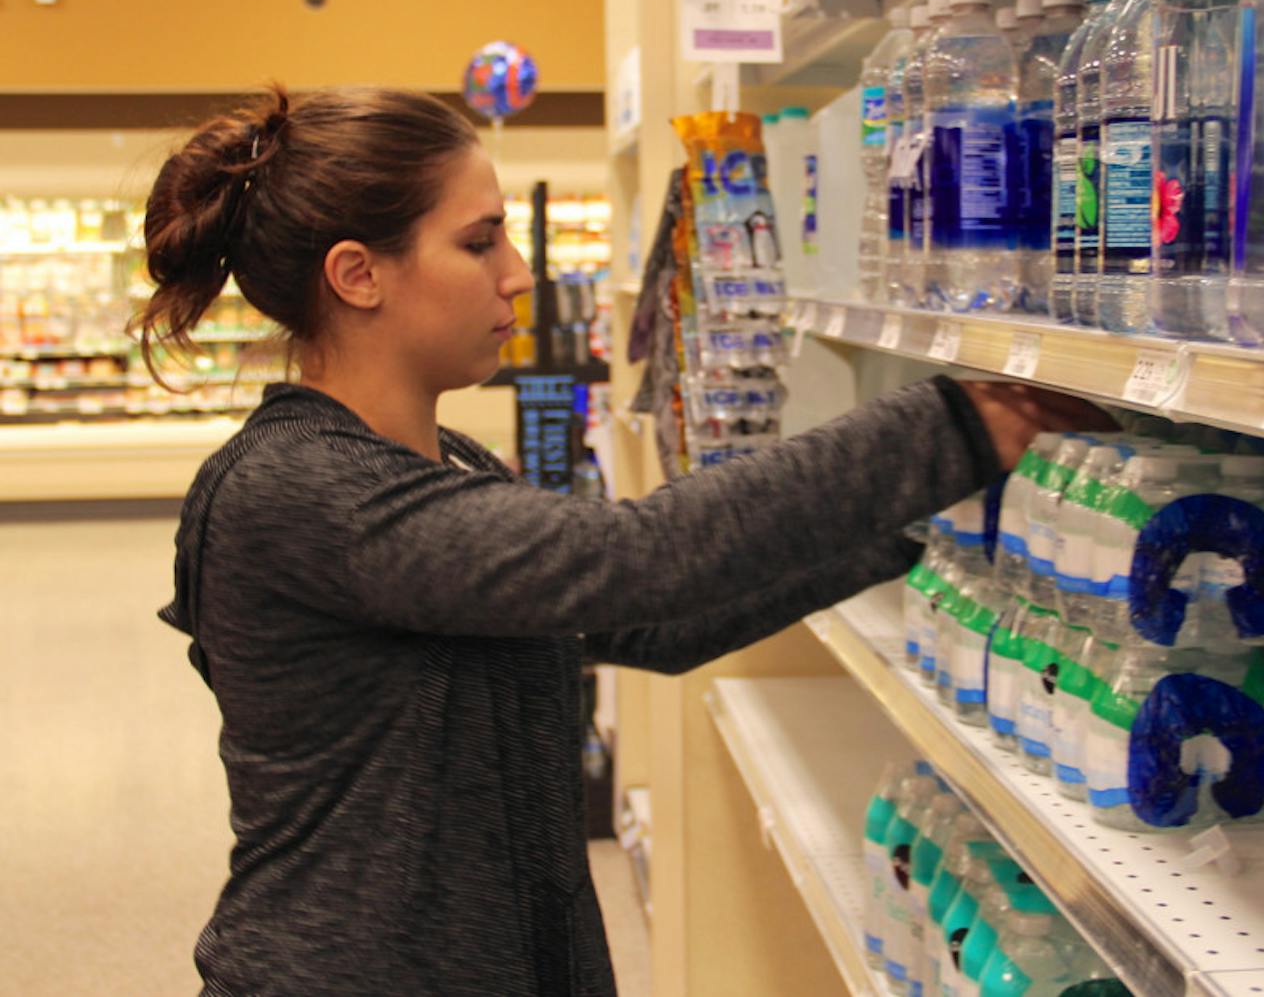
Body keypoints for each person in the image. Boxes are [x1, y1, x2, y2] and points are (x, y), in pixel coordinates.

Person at [138, 86, 1109, 996]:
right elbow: (635, 558)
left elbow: (650, 624)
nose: (519, 273)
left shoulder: (447, 462)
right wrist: (955, 427)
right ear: (357, 275)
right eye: (479, 242)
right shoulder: (298, 490)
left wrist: (909, 522)